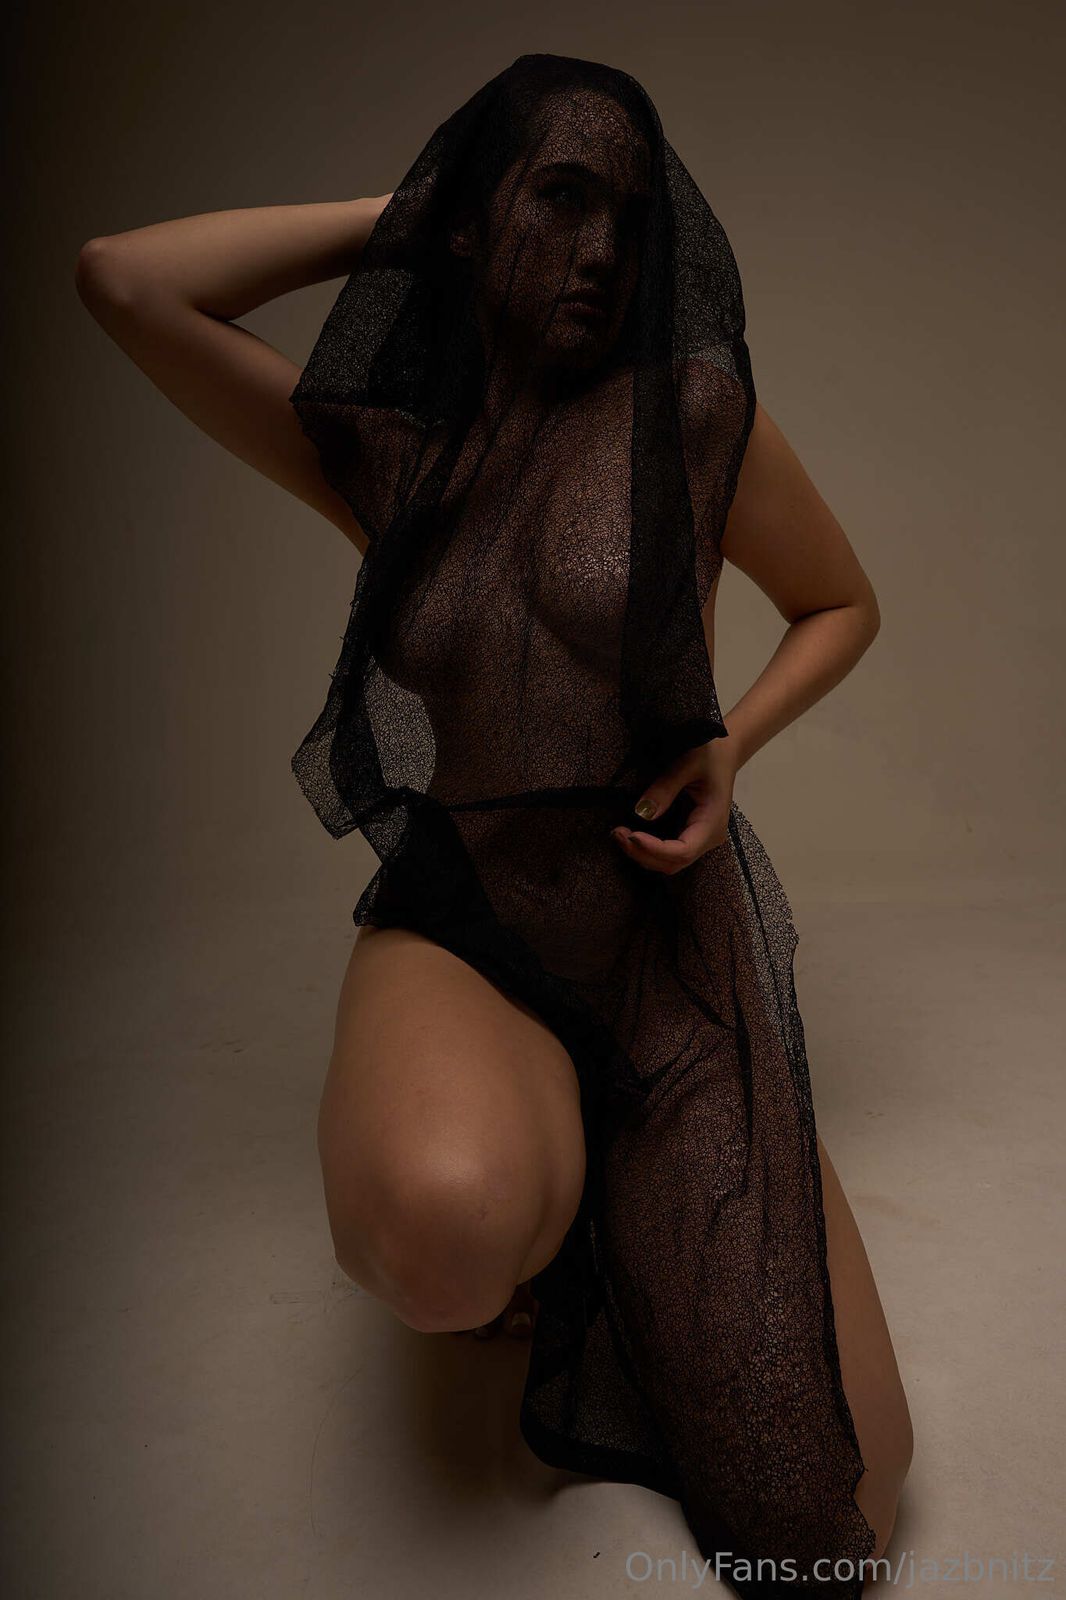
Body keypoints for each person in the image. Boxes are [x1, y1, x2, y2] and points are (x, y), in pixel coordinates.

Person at [76, 52, 913, 1600]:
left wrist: (730, 741)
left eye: (631, 218)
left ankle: (652, 1165)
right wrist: (407, 212)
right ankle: (542, 1162)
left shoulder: (693, 415)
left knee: (834, 1515)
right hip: (470, 925)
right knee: (444, 1238)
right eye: (558, 198)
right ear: (475, 217)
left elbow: (839, 601)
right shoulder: (396, 451)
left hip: (663, 939)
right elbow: (126, 281)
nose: (600, 249)